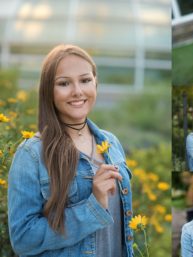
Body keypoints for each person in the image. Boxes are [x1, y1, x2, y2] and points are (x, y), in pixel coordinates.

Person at [8, 44, 133, 257]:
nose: (77, 91)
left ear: (96, 83)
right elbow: (22, 239)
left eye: (85, 80)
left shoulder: (111, 142)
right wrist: (92, 206)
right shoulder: (31, 155)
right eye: (64, 83)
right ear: (49, 91)